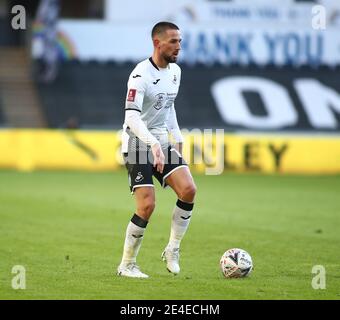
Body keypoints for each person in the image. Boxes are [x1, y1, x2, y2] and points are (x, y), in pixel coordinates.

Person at [117, 22, 197, 278]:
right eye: (173, 41)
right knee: (147, 206)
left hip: (161, 141)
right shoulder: (140, 75)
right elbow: (131, 117)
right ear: (157, 43)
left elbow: (169, 106)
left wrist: (177, 137)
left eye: (180, 41)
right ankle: (127, 265)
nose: (178, 47)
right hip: (138, 142)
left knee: (188, 190)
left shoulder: (176, 72)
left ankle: (173, 249)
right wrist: (151, 143)